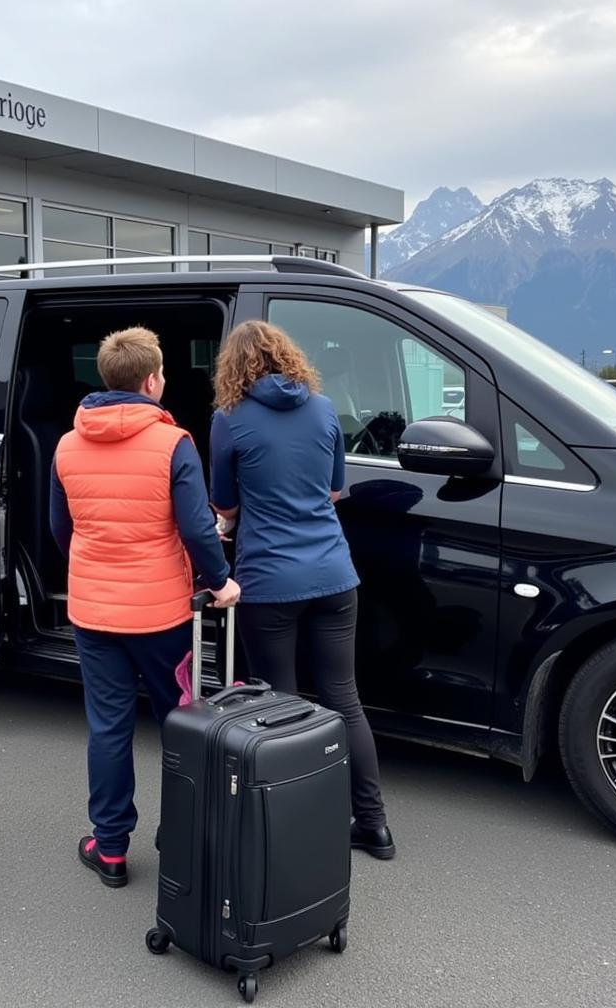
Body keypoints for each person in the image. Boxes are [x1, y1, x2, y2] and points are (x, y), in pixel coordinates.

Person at [50, 326, 240, 887]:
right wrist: (221, 581)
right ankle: (180, 834)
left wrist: (95, 564)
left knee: (107, 728)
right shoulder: (173, 443)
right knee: (180, 722)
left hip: (94, 613)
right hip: (161, 616)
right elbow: (198, 530)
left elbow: (61, 529)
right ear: (153, 380)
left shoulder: (67, 444)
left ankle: (109, 848)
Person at [209, 320, 395, 859]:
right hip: (336, 576)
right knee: (344, 698)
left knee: (279, 707)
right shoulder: (323, 407)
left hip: (270, 581)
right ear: (288, 357)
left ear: (234, 367)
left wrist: (250, 505)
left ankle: (291, 830)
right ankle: (374, 824)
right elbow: (335, 489)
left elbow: (224, 504)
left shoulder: (229, 419)